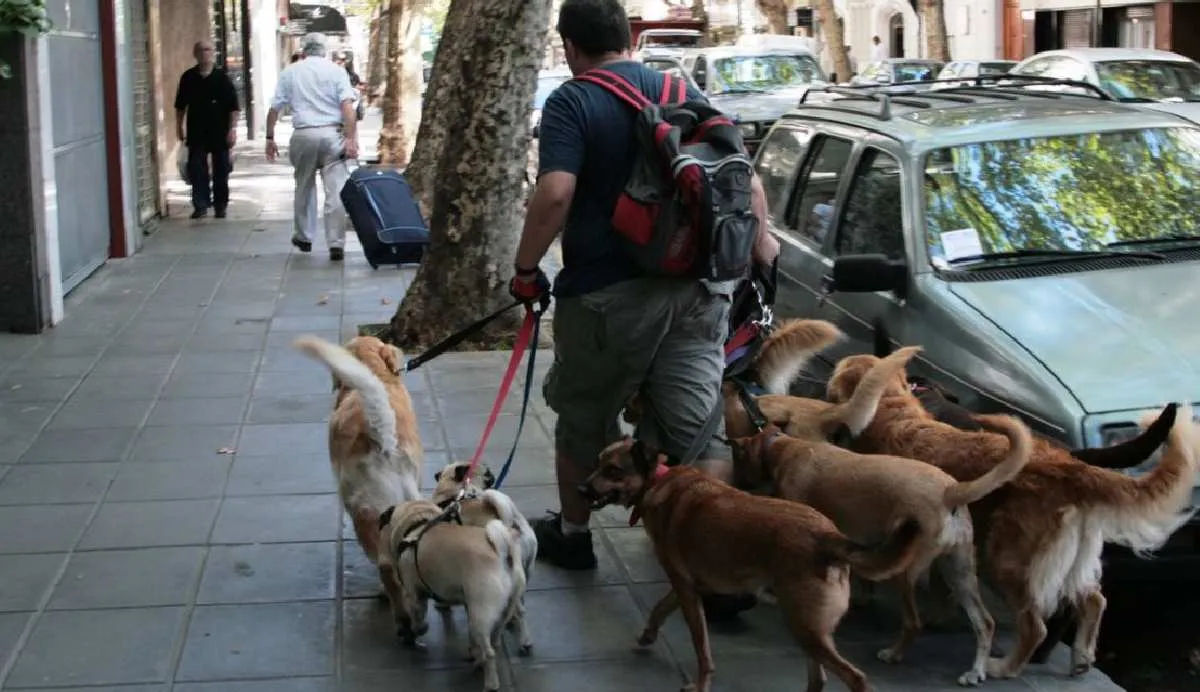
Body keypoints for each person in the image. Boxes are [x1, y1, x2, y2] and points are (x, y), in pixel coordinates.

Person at [508, 0, 780, 582]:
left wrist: (525, 269)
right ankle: (716, 567)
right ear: (627, 38)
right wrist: (761, 254)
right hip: (699, 292)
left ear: (570, 47)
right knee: (698, 426)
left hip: (607, 297)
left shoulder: (573, 99)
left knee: (585, 414)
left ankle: (575, 536)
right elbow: (745, 179)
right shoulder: (678, 89)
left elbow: (556, 192)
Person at [264, 32, 359, 261]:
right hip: (331, 134)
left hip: (304, 135)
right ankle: (336, 243)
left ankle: (304, 236)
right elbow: (347, 107)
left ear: (303, 50)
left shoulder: (290, 72)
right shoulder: (337, 72)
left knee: (304, 185)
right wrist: (351, 138)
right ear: (325, 50)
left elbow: (274, 108)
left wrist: (269, 137)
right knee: (335, 190)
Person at [174, 40, 240, 219]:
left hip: (219, 130)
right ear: (195, 54)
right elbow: (180, 107)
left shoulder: (222, 78)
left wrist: (232, 129)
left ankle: (220, 205)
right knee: (196, 168)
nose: (205, 53)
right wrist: (178, 127)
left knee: (221, 169)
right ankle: (200, 204)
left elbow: (234, 107)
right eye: (200, 50)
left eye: (208, 49)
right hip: (196, 130)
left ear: (213, 53)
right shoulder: (188, 77)